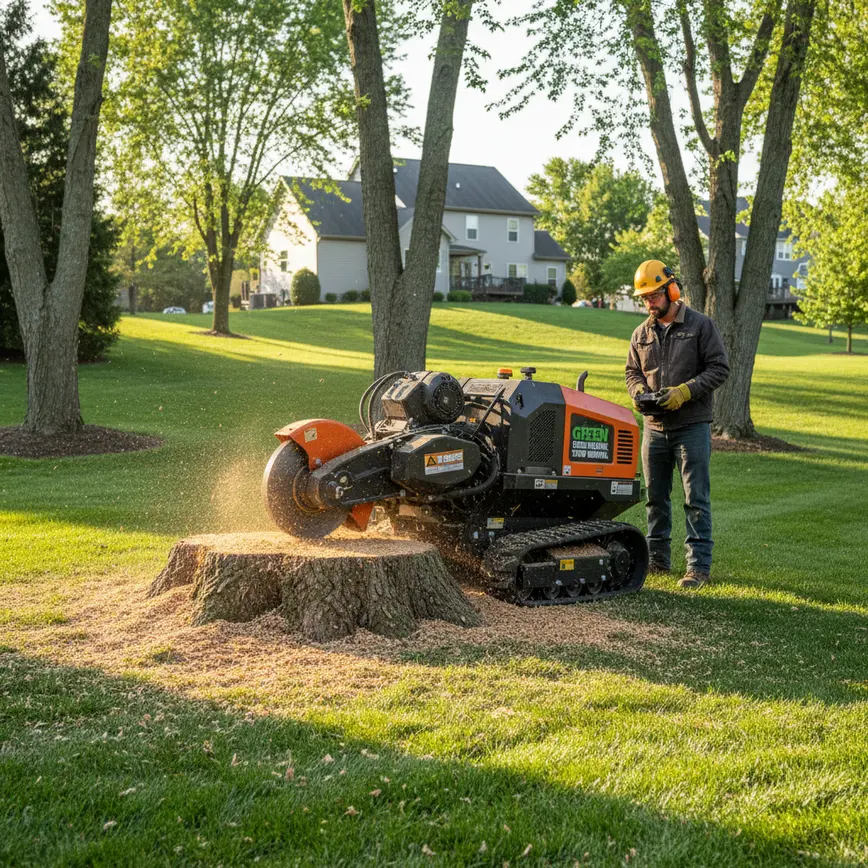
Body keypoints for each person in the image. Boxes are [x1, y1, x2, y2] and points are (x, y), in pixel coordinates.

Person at [625, 260, 730, 589]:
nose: (649, 303)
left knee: (694, 497)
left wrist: (686, 391)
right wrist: (639, 391)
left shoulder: (699, 326)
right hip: (654, 428)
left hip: (691, 426)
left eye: (654, 295)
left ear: (672, 290)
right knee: (655, 498)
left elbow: (719, 368)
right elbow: (632, 372)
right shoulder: (640, 333)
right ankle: (657, 560)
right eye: (644, 298)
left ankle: (698, 567)